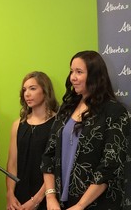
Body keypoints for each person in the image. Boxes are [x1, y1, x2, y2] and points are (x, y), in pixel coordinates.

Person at [41, 50, 130, 210]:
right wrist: (50, 196)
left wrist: (81, 205)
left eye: (79, 72)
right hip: (61, 203)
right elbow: (49, 155)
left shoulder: (115, 112)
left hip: (98, 204)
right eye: (71, 71)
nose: (72, 77)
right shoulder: (66, 109)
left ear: (95, 76)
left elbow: (110, 165)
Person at [6, 71, 59, 210]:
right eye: (24, 90)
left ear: (45, 90)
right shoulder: (18, 124)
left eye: (33, 88)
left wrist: (36, 200)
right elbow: (12, 163)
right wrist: (10, 194)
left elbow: (56, 167)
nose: (27, 94)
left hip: (47, 197)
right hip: (19, 198)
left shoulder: (58, 123)